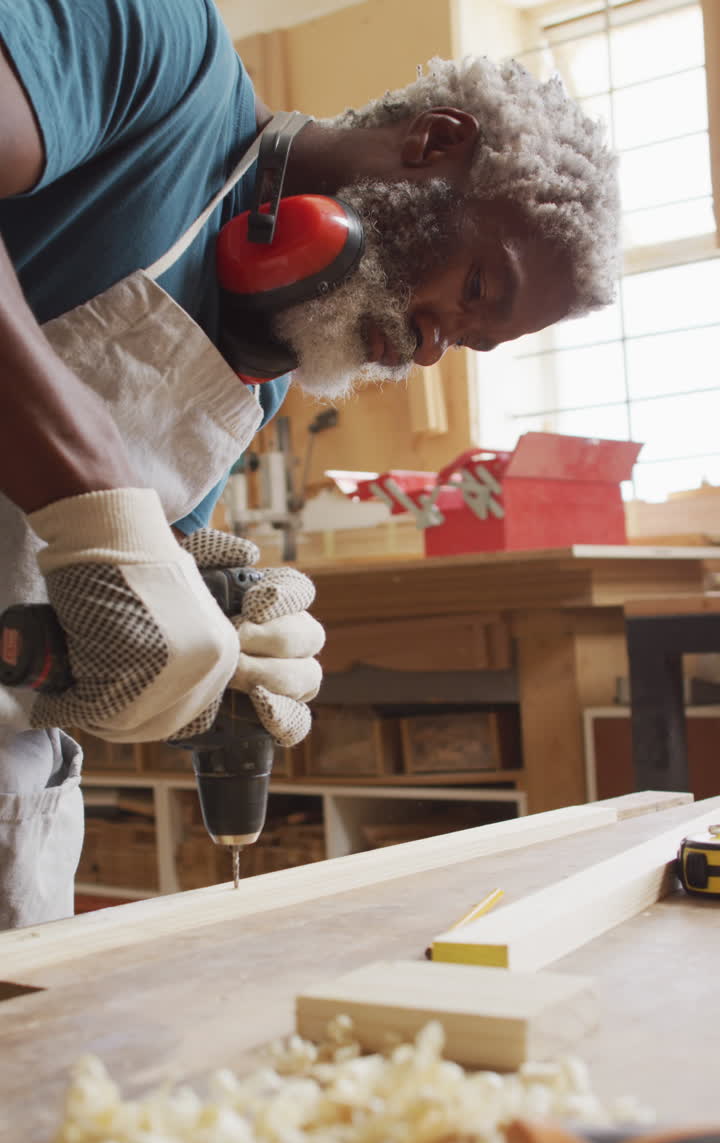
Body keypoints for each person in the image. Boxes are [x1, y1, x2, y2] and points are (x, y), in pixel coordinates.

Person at [0, 0, 619, 929]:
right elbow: (92, 518)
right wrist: (96, 496)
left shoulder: (254, 379)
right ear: (434, 143)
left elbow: (67, 598)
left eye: (468, 343)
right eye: (478, 287)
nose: (426, 351)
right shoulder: (162, 50)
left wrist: (198, 651)